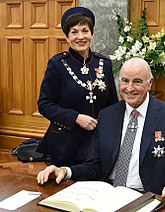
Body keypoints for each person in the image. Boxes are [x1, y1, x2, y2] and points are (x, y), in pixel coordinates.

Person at [37, 57, 165, 206]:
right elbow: (94, 166)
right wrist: (64, 171)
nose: (130, 88)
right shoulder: (106, 115)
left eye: (137, 82)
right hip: (106, 196)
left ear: (150, 84)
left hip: (147, 198)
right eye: (125, 81)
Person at [37, 6, 118, 166]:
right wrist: (75, 118)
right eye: (74, 32)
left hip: (97, 145)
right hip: (65, 145)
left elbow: (112, 105)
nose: (80, 37)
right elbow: (44, 105)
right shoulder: (57, 64)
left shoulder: (105, 63)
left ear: (92, 33)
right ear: (67, 37)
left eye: (85, 30)